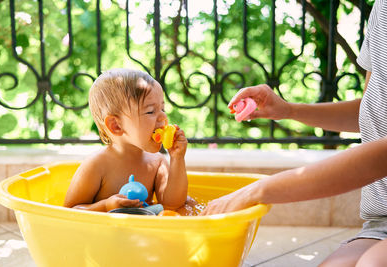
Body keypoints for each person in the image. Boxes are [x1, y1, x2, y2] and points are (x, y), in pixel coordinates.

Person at [201, 0, 387, 265]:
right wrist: (288, 110)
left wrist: (256, 190)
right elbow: (373, 111)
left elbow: (380, 157)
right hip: (380, 223)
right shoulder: (382, 8)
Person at [64, 68, 190, 214]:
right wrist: (105, 206)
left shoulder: (157, 162)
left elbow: (172, 205)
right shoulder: (96, 166)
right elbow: (69, 211)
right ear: (116, 125)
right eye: (150, 111)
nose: (163, 117)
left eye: (162, 108)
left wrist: (177, 158)